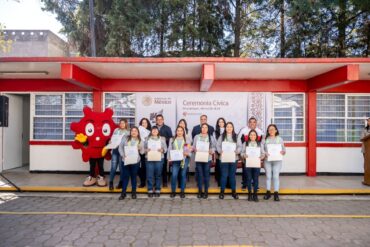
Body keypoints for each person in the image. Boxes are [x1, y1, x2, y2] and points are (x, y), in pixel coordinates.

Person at [238, 117, 264, 190]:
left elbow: (262, 143)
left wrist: (261, 155)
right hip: (246, 155)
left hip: (256, 156)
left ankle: (255, 184)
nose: (252, 123)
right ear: (248, 123)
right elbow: (239, 141)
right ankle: (245, 184)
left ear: (256, 123)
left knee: (255, 171)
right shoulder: (243, 130)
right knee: (245, 170)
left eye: (254, 122)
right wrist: (241, 153)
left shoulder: (260, 131)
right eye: (251, 122)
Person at [118, 127, 144, 200]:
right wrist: (123, 155)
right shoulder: (125, 138)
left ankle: (133, 192)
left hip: (135, 161)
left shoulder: (140, 141)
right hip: (125, 160)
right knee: (125, 176)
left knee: (134, 177)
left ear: (138, 133)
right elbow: (120, 148)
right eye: (132, 131)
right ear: (130, 132)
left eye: (135, 131)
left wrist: (140, 148)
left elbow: (142, 152)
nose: (134, 132)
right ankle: (123, 193)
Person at [216, 122, 241, 200]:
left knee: (232, 175)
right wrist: (220, 151)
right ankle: (222, 192)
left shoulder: (236, 136)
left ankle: (234, 191)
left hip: (234, 158)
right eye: (227, 127)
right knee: (224, 175)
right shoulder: (222, 136)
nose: (229, 128)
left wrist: (237, 151)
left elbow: (240, 146)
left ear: (233, 128)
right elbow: (218, 145)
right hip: (223, 158)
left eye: (230, 127)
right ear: (225, 128)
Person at [193, 123, 216, 199]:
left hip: (207, 159)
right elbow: (193, 147)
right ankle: (200, 191)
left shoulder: (211, 137)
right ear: (201, 128)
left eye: (206, 127)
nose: (204, 129)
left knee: (206, 175)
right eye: (203, 127)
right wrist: (194, 149)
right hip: (198, 158)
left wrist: (211, 151)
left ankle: (206, 191)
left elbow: (214, 147)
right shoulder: (196, 136)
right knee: (200, 175)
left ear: (208, 129)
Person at [263, 124, 286, 202]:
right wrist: (265, 153)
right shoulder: (265, 139)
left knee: (276, 176)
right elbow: (262, 149)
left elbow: (284, 150)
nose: (271, 131)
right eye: (269, 130)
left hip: (277, 161)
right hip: (267, 160)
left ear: (276, 130)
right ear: (268, 131)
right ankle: (268, 192)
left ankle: (276, 193)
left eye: (273, 129)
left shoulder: (280, 139)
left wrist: (283, 152)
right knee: (268, 176)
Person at [241, 129, 265, 202]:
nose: (252, 136)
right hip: (248, 163)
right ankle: (249, 194)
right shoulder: (245, 143)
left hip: (256, 164)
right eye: (251, 135)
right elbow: (242, 153)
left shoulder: (259, 144)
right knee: (248, 179)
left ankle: (255, 194)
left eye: (254, 135)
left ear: (256, 136)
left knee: (255, 179)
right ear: (249, 136)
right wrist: (244, 155)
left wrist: (262, 156)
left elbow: (263, 153)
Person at [168, 126, 192, 198]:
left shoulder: (186, 140)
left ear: (183, 132)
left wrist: (187, 153)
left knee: (183, 175)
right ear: (176, 132)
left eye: (181, 131)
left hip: (184, 160)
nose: (179, 132)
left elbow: (189, 150)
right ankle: (173, 191)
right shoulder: (172, 139)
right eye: (178, 131)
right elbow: (170, 149)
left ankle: (182, 191)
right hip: (175, 160)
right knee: (174, 175)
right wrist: (169, 158)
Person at [144, 126, 167, 197]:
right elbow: (143, 149)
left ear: (158, 131)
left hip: (159, 159)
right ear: (151, 131)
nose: (154, 131)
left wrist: (162, 150)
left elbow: (165, 149)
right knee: (149, 175)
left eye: (156, 130)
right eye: (153, 130)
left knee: (158, 175)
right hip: (149, 159)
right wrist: (146, 150)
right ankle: (150, 189)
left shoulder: (162, 139)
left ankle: (157, 189)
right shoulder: (147, 139)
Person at [108, 118, 130, 190]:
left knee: (121, 168)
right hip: (115, 151)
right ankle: (111, 182)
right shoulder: (116, 130)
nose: (122, 125)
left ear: (126, 124)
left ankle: (121, 182)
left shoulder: (128, 132)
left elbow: (128, 143)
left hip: (122, 152)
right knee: (113, 167)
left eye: (123, 123)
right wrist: (110, 142)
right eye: (120, 123)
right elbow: (112, 139)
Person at [155, 114, 173, 187]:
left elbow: (171, 139)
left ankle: (164, 182)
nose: (159, 121)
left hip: (164, 150)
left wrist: (164, 139)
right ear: (156, 120)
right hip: (155, 151)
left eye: (161, 119)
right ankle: (155, 182)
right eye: (158, 119)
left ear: (163, 120)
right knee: (155, 167)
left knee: (164, 166)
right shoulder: (153, 128)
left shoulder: (167, 128)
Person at [177, 119, 191, 187]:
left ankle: (183, 185)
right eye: (180, 123)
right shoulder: (176, 133)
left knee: (183, 172)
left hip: (185, 156)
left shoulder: (188, 134)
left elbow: (188, 144)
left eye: (183, 123)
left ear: (185, 125)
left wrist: (185, 152)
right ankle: (180, 184)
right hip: (177, 156)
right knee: (178, 171)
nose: (182, 124)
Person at [138, 118, 152, 188]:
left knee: (145, 168)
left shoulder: (150, 133)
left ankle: (145, 182)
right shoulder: (137, 132)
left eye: (145, 123)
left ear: (148, 124)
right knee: (139, 168)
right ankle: (142, 181)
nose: (144, 124)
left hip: (147, 153)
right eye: (142, 123)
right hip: (138, 152)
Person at [214, 117, 226, 187]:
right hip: (218, 152)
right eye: (219, 122)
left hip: (227, 152)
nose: (221, 123)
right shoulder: (215, 132)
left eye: (222, 122)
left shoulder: (228, 129)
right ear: (217, 123)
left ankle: (225, 182)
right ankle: (219, 182)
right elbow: (215, 142)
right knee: (219, 166)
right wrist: (219, 149)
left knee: (225, 167)